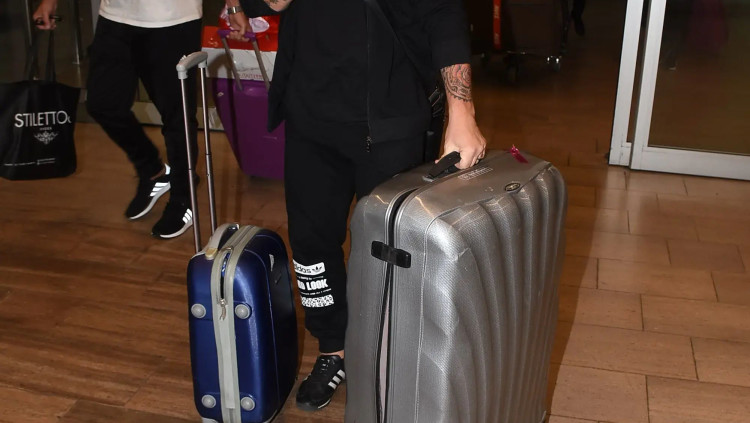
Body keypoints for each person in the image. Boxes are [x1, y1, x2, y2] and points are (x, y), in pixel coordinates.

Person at [230, 0, 487, 412]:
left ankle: (393, 353)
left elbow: (443, 11)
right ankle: (333, 348)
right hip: (310, 113)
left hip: (390, 118)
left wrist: (462, 109)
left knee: (391, 254)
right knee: (311, 244)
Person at [33, 0, 204, 239]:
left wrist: (234, 5)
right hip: (116, 17)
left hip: (173, 20)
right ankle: (153, 170)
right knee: (102, 104)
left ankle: (183, 197)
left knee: (177, 116)